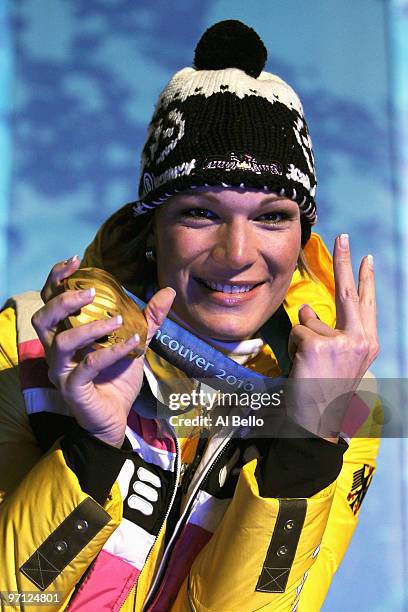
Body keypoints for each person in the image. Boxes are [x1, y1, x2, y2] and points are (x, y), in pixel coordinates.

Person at [0, 20, 380, 612]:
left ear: (303, 237)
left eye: (273, 216)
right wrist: (94, 448)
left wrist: (304, 441)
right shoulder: (24, 345)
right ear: (151, 227)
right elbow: (15, 598)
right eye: (201, 212)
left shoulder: (345, 403)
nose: (236, 254)